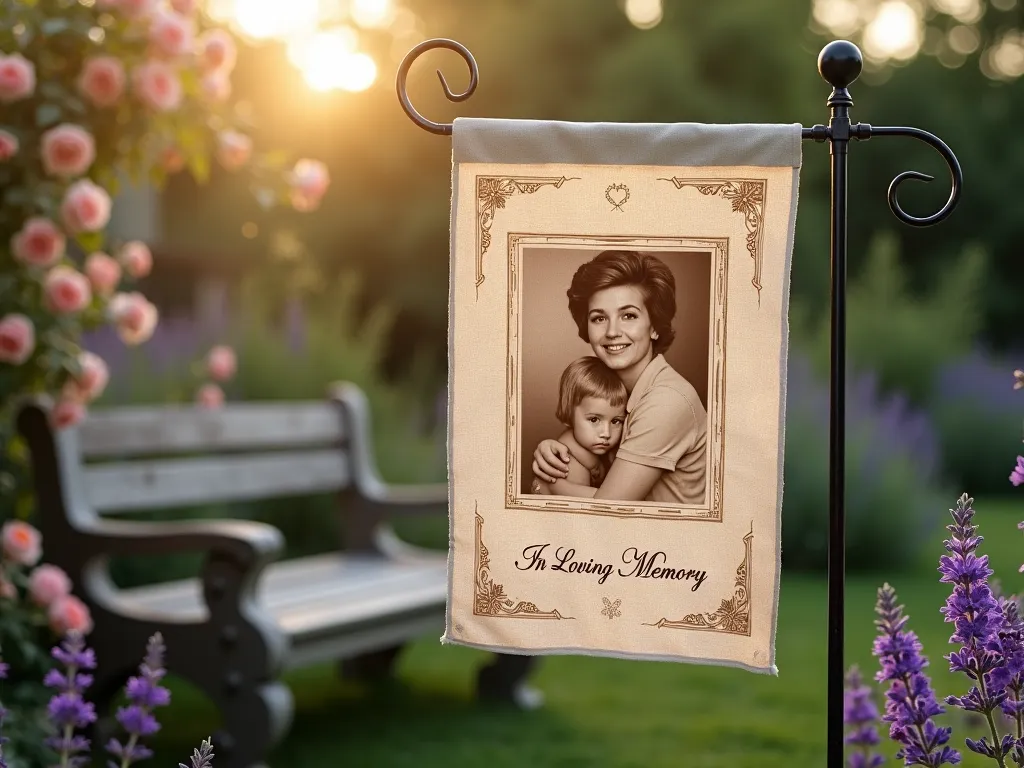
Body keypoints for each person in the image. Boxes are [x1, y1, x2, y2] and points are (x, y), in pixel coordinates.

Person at [531, 249, 708, 505]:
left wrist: (549, 486)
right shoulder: (616, 392)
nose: (612, 331)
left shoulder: (666, 400)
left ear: (655, 326)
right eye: (599, 318)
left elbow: (611, 505)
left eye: (629, 316)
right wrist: (551, 449)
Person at [530, 356, 627, 495]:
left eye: (616, 421)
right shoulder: (568, 464)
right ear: (569, 413)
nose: (606, 433)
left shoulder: (588, 447)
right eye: (594, 420)